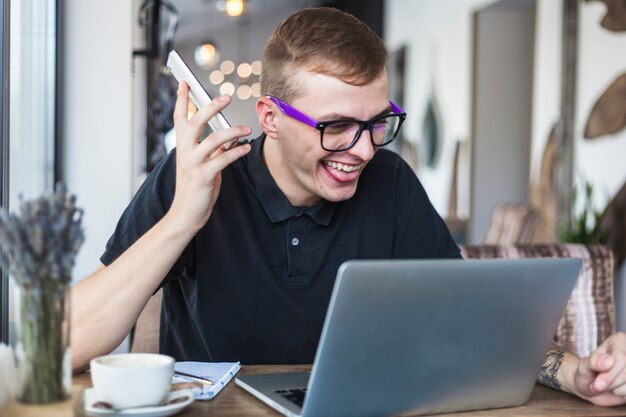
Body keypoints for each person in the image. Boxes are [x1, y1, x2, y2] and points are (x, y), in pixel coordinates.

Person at [71, 7, 626, 407]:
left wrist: (579, 373)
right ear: (269, 117)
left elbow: (470, 328)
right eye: (336, 127)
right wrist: (182, 220)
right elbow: (70, 345)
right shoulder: (195, 174)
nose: (362, 150)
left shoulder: (391, 183)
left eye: (376, 122)